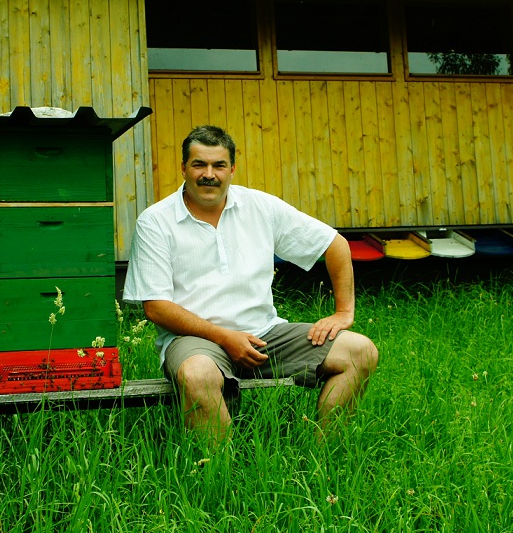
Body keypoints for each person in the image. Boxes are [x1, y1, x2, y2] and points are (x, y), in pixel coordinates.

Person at [123, 124, 378, 444]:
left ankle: (324, 455)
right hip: (195, 342)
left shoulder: (259, 207)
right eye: (199, 164)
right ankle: (219, 470)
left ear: (232, 169)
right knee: (197, 374)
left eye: (219, 165)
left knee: (360, 352)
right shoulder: (156, 221)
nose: (209, 174)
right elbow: (156, 308)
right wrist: (225, 337)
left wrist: (343, 312)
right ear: (183, 168)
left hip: (265, 336)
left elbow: (334, 244)